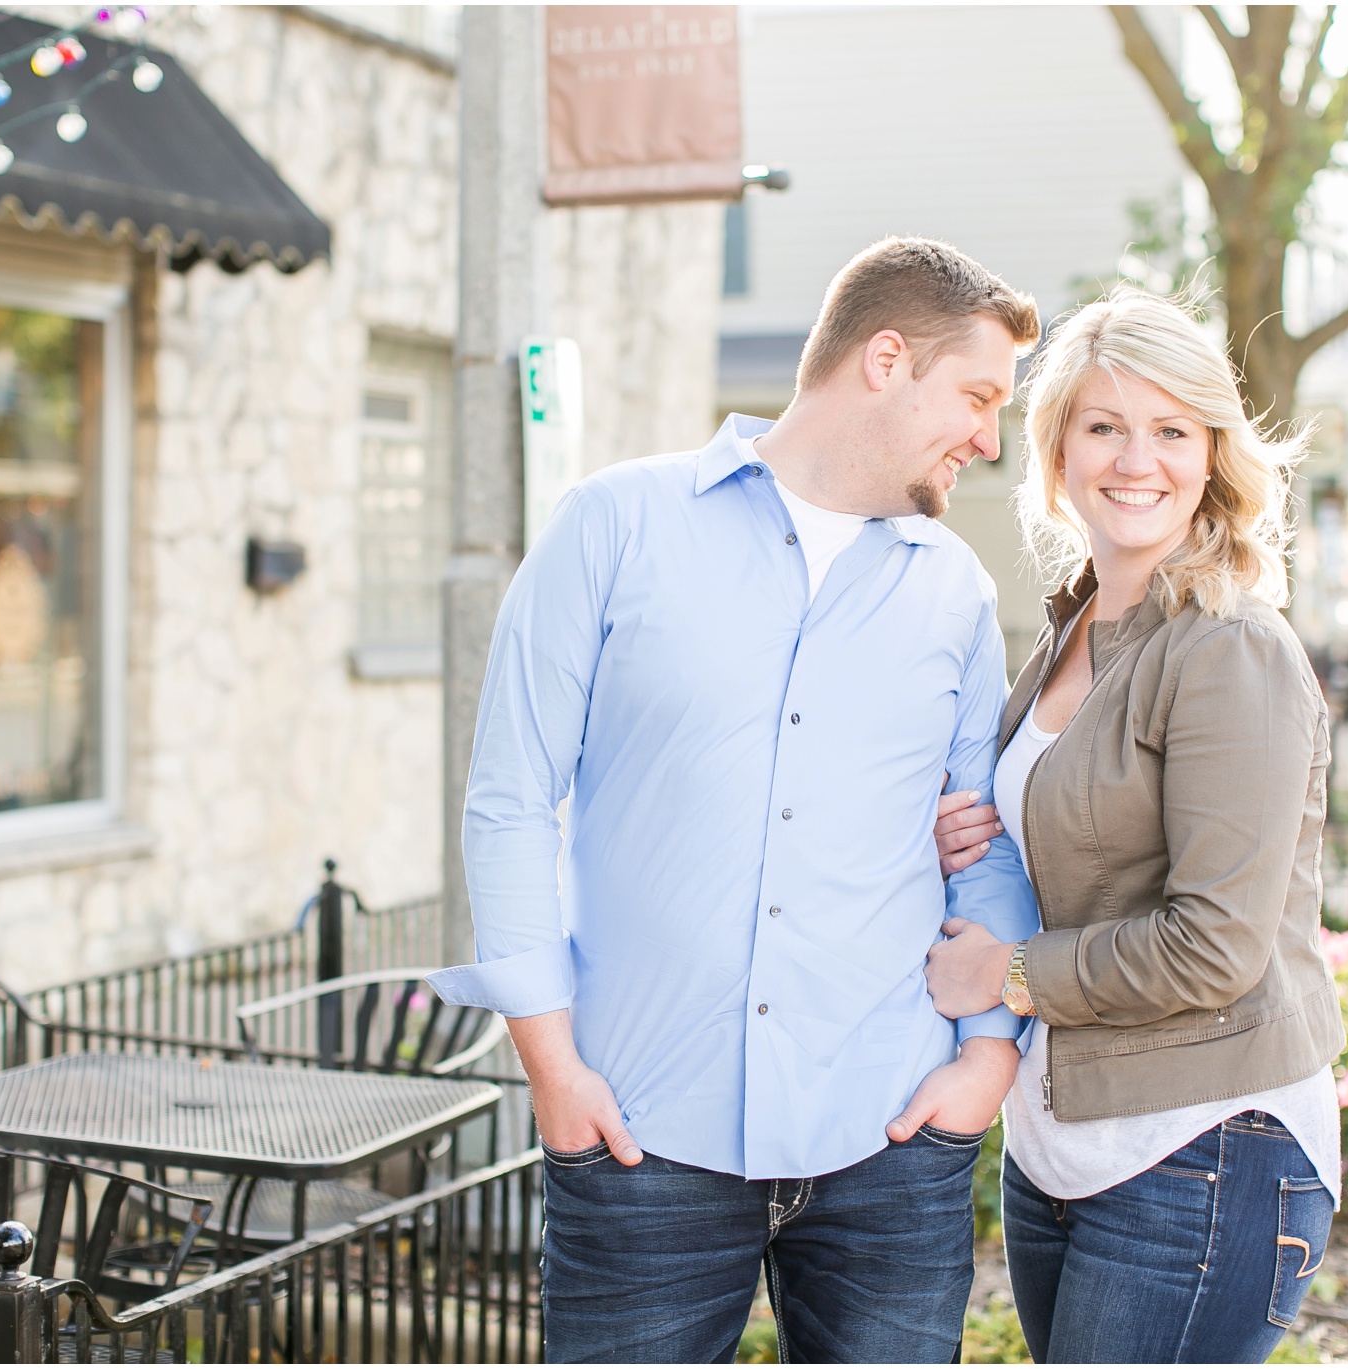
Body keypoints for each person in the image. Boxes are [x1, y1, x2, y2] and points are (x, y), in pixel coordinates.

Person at [427, 237, 1041, 1363]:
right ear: (886, 358)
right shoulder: (613, 524)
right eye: (977, 397)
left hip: (890, 1137)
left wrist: (986, 1058)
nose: (988, 439)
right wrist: (552, 1070)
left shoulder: (952, 590)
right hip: (637, 1137)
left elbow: (984, 843)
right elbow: (508, 800)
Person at [926, 286, 1347, 1364]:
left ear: (1212, 453)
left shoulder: (1226, 648)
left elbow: (1212, 942)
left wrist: (1003, 975)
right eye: (1103, 425)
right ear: (1057, 444)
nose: (1134, 460)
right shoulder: (1074, 622)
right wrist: (964, 840)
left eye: (1170, 431)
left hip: (1204, 1146)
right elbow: (1075, 842)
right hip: (1061, 1145)